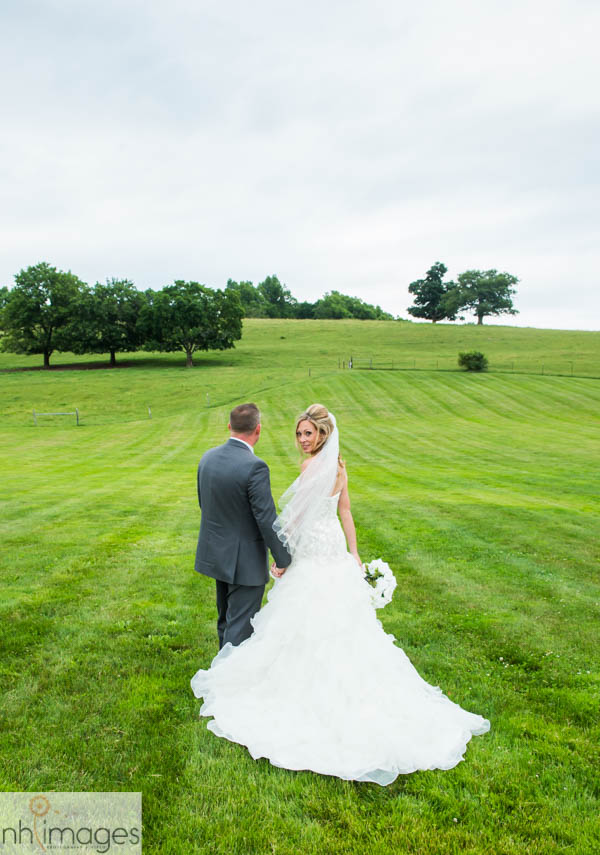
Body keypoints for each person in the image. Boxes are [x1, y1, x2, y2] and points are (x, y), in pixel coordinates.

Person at [191, 404, 490, 785]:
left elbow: (299, 517)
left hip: (315, 548)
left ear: (322, 435)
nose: (302, 440)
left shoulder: (305, 468)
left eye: (308, 434)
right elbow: (343, 512)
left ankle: (252, 678)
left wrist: (287, 557)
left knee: (299, 616)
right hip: (330, 545)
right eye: (299, 434)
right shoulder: (340, 468)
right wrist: (352, 552)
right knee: (340, 618)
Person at [194, 402, 291, 649]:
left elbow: (204, 504)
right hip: (245, 562)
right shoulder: (255, 467)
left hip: (217, 554)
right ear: (258, 429)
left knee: (225, 621)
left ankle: (218, 677)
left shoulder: (208, 458)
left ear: (229, 426)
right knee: (240, 629)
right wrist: (283, 559)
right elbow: (266, 519)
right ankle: (226, 685)